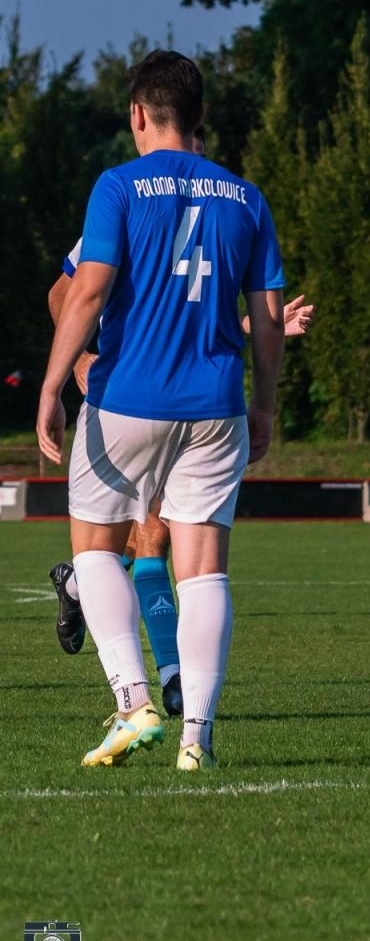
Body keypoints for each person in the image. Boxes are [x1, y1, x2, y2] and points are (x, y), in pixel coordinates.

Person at [36, 49, 286, 771]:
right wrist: (263, 407)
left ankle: (133, 700)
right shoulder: (247, 197)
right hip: (216, 406)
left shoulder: (118, 186)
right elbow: (267, 318)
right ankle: (196, 738)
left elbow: (83, 293)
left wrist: (54, 385)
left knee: (93, 550)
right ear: (199, 117)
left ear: (139, 115)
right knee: (204, 571)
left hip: (127, 399)